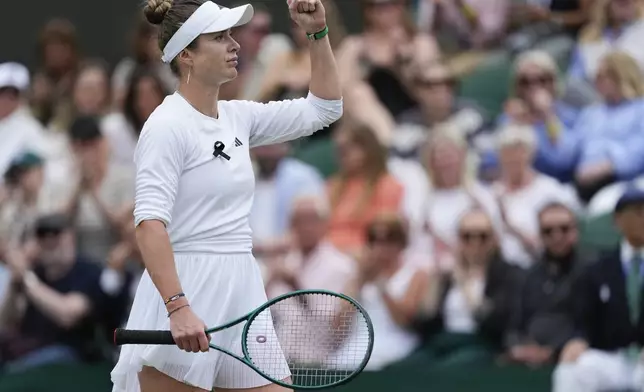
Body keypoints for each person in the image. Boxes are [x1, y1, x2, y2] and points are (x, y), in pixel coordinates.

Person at [109, 0, 342, 391]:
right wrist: (178, 308)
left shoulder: (239, 117)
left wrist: (317, 34)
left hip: (242, 292)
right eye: (220, 38)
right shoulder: (166, 126)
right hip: (185, 291)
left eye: (232, 35)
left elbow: (324, 109)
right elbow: (149, 226)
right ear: (187, 55)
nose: (235, 44)